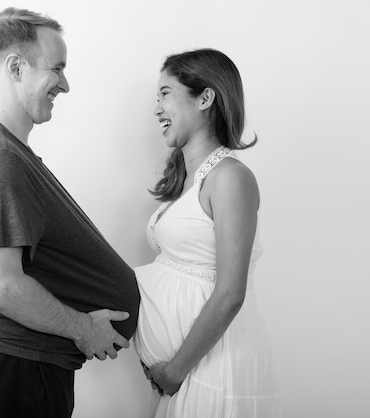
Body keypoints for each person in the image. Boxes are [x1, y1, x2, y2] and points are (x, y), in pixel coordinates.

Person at [0, 7, 140, 418]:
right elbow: (0, 285)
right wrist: (85, 330)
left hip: (22, 370)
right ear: (16, 67)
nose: (65, 85)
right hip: (13, 372)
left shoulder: (8, 153)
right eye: (57, 69)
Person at [132, 49, 282, 417]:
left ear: (205, 97)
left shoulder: (230, 178)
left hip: (209, 369)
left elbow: (230, 293)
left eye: (165, 93)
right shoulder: (187, 181)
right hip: (185, 371)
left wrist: (175, 369)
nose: (157, 108)